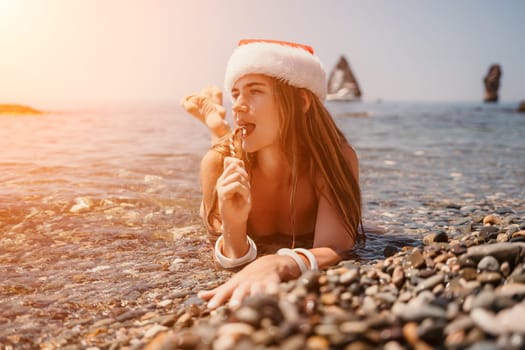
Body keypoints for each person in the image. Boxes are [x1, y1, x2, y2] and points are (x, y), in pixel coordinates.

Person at [181, 39, 363, 310]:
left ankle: (218, 126)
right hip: (226, 157)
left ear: (301, 101)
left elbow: (336, 246)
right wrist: (232, 225)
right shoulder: (216, 163)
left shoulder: (334, 159)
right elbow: (229, 256)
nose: (239, 106)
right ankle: (215, 126)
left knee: (228, 145)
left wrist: (277, 262)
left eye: (254, 91)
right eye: (235, 94)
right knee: (222, 153)